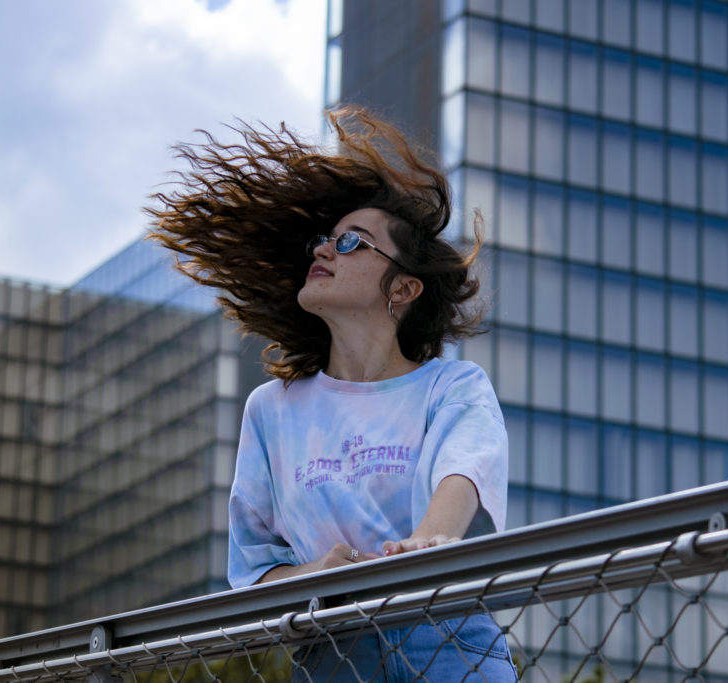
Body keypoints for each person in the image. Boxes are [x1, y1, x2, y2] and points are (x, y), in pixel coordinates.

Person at [147, 108, 516, 682]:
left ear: (403, 288)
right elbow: (253, 566)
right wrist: (317, 574)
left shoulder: (451, 386)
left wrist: (422, 546)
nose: (323, 251)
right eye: (324, 241)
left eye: (350, 243)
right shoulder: (271, 410)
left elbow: (465, 470)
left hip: (445, 640)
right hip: (332, 653)